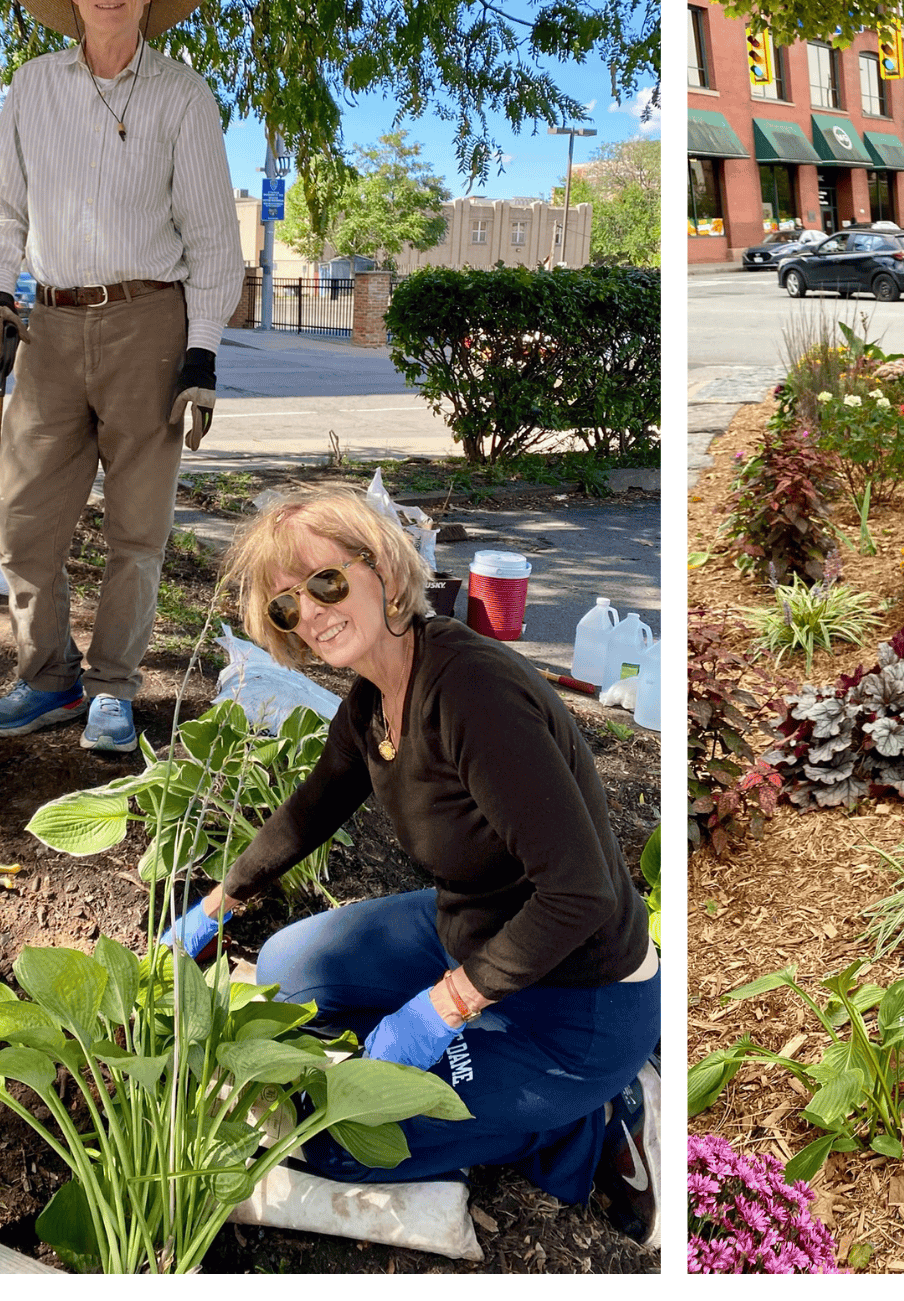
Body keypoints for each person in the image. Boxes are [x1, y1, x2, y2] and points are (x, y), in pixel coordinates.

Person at [160, 487, 662, 1245]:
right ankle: (486, 1077)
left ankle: (589, 1118)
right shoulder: (372, 698)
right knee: (285, 969)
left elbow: (581, 892)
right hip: (471, 924)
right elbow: (314, 806)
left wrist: (442, 1008)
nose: (314, 612)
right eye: (289, 604)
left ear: (384, 570)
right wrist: (217, 905)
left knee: (345, 1134)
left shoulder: (472, 694)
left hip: (576, 994)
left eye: (326, 581)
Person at [0, 0, 240, 753]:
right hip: (48, 329)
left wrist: (201, 355)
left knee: (138, 526)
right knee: (25, 518)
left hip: (148, 327)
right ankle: (48, 677)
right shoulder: (31, 89)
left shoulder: (184, 97)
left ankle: (116, 689)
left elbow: (211, 238)